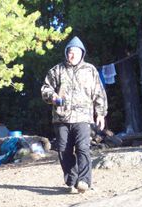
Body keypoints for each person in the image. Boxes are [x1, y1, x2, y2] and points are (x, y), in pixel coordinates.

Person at [41, 36, 108, 193]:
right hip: (61, 118)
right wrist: (53, 97)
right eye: (70, 52)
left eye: (76, 52)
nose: (72, 55)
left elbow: (99, 92)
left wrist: (100, 113)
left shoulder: (90, 70)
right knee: (64, 150)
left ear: (82, 54)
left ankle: (84, 181)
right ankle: (72, 180)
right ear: (66, 53)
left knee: (83, 148)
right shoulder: (56, 70)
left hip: (83, 117)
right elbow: (45, 88)